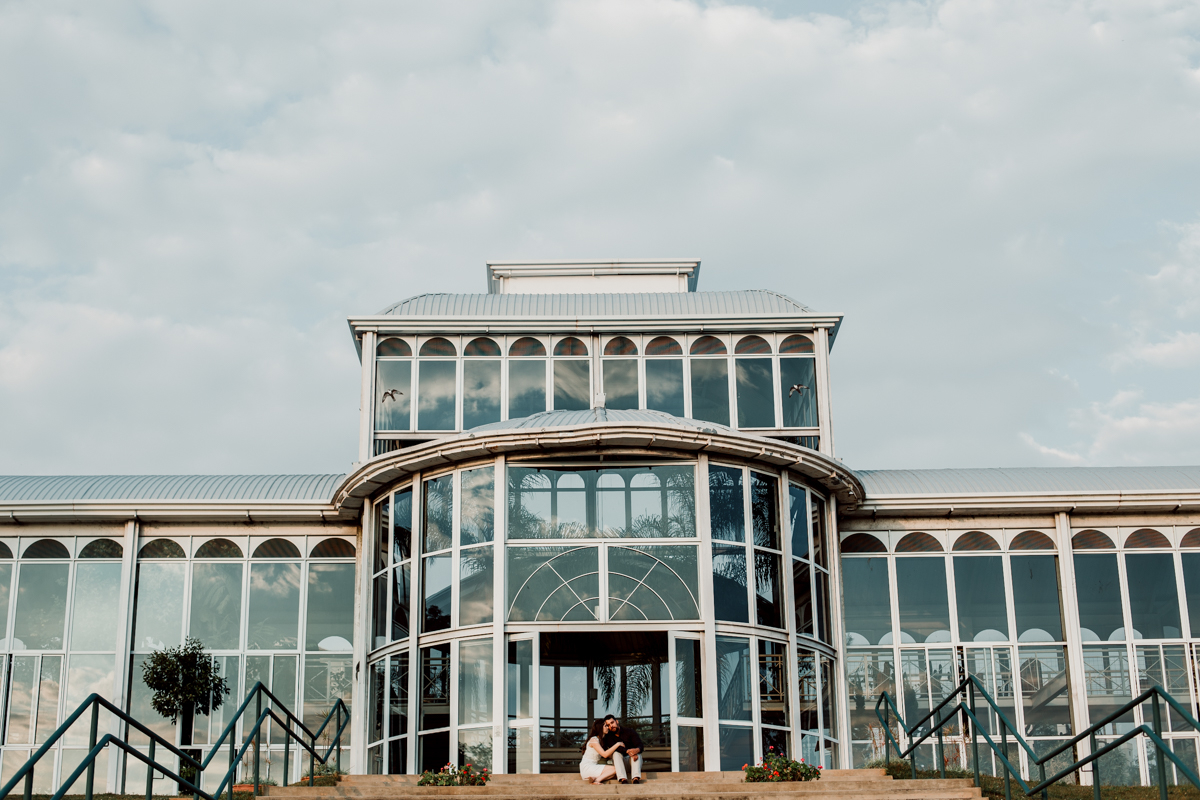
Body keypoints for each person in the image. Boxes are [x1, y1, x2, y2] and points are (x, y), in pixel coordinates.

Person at [601, 715, 645, 784]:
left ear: (617, 721)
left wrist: (636, 750)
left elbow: (640, 745)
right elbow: (617, 748)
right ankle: (623, 779)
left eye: (612, 722)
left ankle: (635, 779)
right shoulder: (608, 737)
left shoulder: (630, 731)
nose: (611, 726)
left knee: (638, 754)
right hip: (620, 764)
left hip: (632, 761)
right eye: (608, 725)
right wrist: (628, 751)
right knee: (616, 753)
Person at [579, 718, 624, 784]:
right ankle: (597, 780)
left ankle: (594, 778)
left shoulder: (600, 741)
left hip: (593, 766)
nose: (608, 727)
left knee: (616, 773)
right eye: (605, 726)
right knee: (615, 769)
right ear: (600, 728)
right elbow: (605, 754)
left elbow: (608, 755)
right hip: (588, 767)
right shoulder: (594, 740)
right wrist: (618, 744)